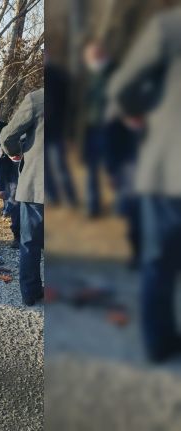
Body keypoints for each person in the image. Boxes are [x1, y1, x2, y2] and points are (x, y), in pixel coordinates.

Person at [107, 6, 181, 362]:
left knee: (160, 261)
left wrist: (146, 117)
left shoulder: (169, 28)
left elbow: (122, 88)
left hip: (168, 168)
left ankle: (159, 344)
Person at [0, 88, 45, 306]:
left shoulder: (37, 99)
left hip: (38, 184)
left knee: (29, 242)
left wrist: (15, 151)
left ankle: (31, 292)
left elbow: (7, 135)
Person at [83, 40, 115, 217]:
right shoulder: (86, 77)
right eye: (89, 56)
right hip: (90, 129)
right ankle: (92, 206)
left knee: (115, 168)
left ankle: (122, 206)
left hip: (112, 129)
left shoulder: (113, 72)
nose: (92, 58)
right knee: (92, 169)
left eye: (95, 54)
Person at [44, 53, 78, 206]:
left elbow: (69, 105)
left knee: (60, 165)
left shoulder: (59, 76)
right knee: (46, 169)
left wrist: (68, 130)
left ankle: (71, 198)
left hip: (56, 130)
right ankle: (53, 197)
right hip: (41, 133)